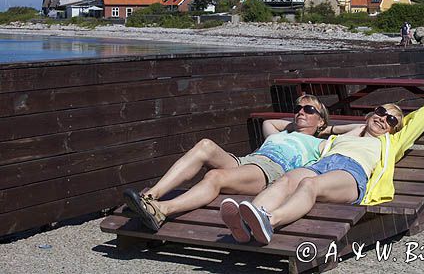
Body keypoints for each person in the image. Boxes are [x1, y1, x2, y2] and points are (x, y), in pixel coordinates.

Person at [123, 94, 353, 236]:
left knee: (215, 177)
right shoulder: (278, 133)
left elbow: (357, 131)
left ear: (321, 119)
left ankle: (163, 211)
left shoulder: (319, 144)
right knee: (205, 146)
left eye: (309, 110)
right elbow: (269, 122)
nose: (301, 112)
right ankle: (150, 198)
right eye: (299, 109)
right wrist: (296, 124)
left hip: (269, 171)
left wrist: (327, 129)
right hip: (247, 161)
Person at [221, 104, 424, 244]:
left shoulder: (391, 142)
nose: (383, 119)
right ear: (372, 114)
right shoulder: (347, 136)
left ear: (394, 129)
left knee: (309, 185)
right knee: (285, 180)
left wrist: (400, 122)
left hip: (351, 172)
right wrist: (340, 129)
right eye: (381, 112)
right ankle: (246, 223)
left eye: (391, 120)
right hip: (323, 164)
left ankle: (269, 222)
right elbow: (316, 140)